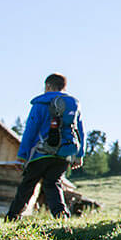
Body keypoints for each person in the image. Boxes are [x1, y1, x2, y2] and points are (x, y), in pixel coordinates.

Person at [7, 73, 84, 220]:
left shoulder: (40, 103)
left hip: (40, 154)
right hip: (63, 154)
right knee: (53, 184)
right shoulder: (73, 105)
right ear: (64, 87)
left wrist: (22, 156)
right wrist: (79, 155)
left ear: (48, 86)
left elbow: (30, 130)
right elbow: (80, 131)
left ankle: (13, 217)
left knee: (28, 185)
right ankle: (62, 217)